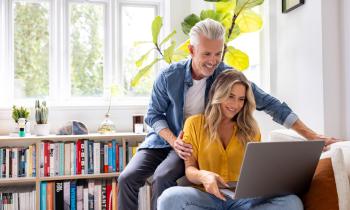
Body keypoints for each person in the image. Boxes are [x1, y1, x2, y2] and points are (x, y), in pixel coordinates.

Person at [118, 18, 336, 210]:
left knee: (163, 175)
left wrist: (311, 135)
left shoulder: (226, 76)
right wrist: (174, 141)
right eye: (206, 54)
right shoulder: (168, 76)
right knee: (127, 178)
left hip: (191, 142)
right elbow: (154, 115)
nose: (213, 61)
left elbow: (270, 103)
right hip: (165, 138)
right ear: (191, 50)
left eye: (218, 53)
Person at [157, 70, 303, 210]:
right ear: (218, 95)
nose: (235, 105)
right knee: (169, 198)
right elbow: (190, 169)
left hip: (243, 200)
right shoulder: (194, 124)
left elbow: (256, 172)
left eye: (241, 99)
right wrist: (204, 176)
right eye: (230, 96)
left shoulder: (251, 129)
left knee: (292, 203)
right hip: (206, 197)